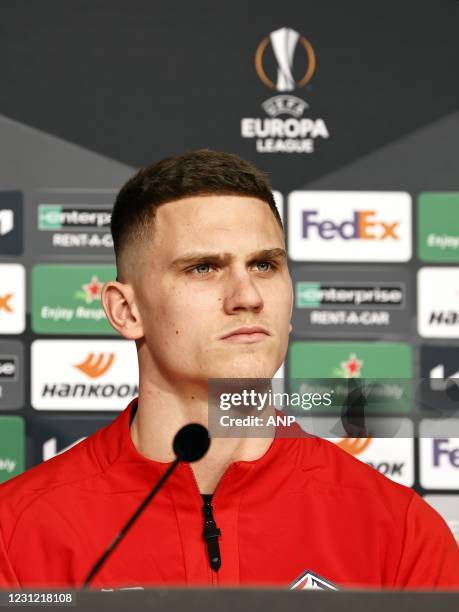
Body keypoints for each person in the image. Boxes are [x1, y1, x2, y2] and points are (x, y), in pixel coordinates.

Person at [0, 150, 458, 590]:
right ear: (126, 310)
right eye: (203, 268)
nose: (248, 295)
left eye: (265, 265)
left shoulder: (399, 530)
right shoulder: (16, 531)